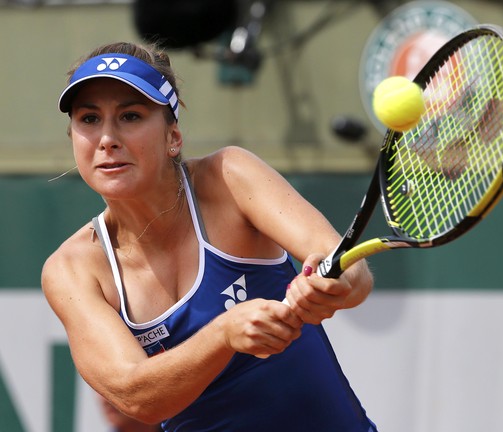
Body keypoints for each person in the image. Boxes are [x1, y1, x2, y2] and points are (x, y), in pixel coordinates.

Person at [42, 41, 377, 431]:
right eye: (88, 119)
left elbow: (348, 269)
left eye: (130, 116)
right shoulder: (71, 270)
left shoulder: (229, 177)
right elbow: (135, 396)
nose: (106, 138)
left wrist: (331, 286)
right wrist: (224, 334)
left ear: (174, 138)